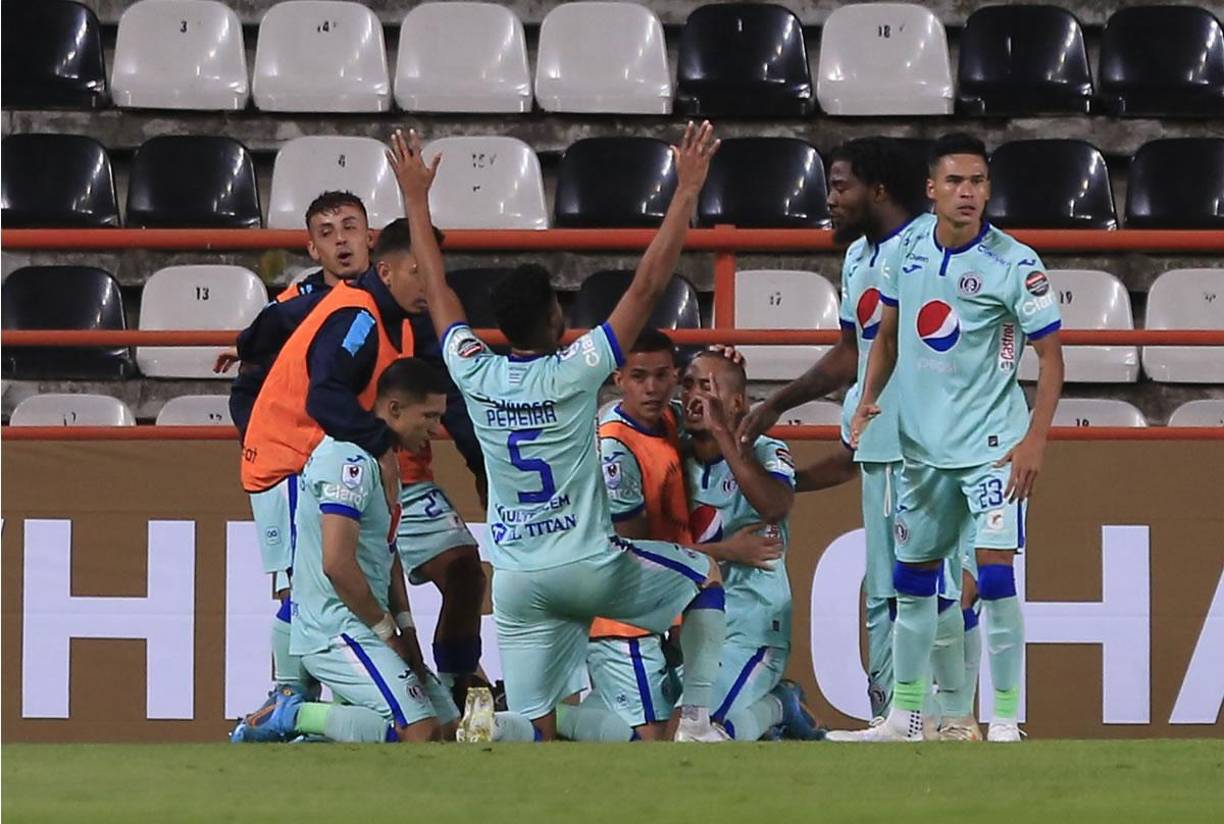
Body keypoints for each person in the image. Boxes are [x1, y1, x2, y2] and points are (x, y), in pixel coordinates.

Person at [390, 123, 776, 742]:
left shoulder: (472, 368)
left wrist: (414, 199)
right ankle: (700, 718)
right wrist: (686, 191)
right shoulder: (576, 370)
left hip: (516, 577)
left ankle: (481, 732)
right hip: (588, 563)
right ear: (555, 317)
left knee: (536, 726)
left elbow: (437, 291)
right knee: (702, 577)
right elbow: (647, 286)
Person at [835, 132, 1064, 743]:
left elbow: (1052, 360)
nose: (970, 193)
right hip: (922, 452)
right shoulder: (904, 248)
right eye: (957, 182)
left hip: (993, 449)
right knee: (913, 584)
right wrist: (868, 400)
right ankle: (907, 719)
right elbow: (885, 336)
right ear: (931, 189)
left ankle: (1007, 717)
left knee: (992, 576)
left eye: (979, 182)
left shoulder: (1015, 264)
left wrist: (1036, 440)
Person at [738, 138, 972, 736]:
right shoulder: (860, 257)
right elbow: (853, 352)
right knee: (886, 591)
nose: (832, 200)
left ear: (880, 189)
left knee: (922, 584)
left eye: (842, 187)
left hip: (919, 445)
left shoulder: (928, 248)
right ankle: (898, 717)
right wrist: (776, 405)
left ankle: (937, 717)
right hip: (878, 445)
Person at [560, 332, 781, 742]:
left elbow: (720, 408)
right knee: (657, 740)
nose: (653, 387)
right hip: (622, 611)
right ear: (618, 377)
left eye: (664, 376)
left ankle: (560, 714)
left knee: (663, 728)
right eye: (640, 376)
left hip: (657, 612)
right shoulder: (617, 447)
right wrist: (726, 550)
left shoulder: (664, 419)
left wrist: (724, 367)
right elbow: (631, 553)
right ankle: (549, 718)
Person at [232, 358, 459, 743]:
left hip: (366, 622)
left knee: (448, 729)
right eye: (429, 416)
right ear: (393, 409)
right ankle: (292, 714)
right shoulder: (346, 459)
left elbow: (387, 556)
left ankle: (322, 737)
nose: (436, 429)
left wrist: (407, 633)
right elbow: (337, 564)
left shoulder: (386, 459)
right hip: (334, 626)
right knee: (418, 729)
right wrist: (387, 632)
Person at [219, 190, 381, 705]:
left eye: (350, 227)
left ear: (369, 237)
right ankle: (289, 699)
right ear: (313, 249)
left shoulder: (383, 297)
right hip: (290, 465)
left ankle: (317, 703)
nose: (341, 241)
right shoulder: (294, 307)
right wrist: (271, 443)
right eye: (327, 233)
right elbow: (248, 386)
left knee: (347, 578)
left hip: (341, 464)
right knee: (301, 586)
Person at [681, 352, 822, 742]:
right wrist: (727, 551)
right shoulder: (673, 453)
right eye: (688, 385)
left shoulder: (766, 450)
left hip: (754, 627)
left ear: (738, 403)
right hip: (691, 633)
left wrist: (725, 433)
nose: (694, 396)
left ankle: (780, 705)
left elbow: (776, 504)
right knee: (660, 727)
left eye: (706, 387)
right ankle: (776, 711)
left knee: (696, 728)